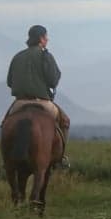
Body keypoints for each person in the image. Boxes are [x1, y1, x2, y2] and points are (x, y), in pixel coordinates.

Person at [4, 24, 70, 169]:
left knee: (5, 124)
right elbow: (53, 80)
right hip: (43, 102)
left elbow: (10, 82)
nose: (47, 40)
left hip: (19, 103)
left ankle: (6, 157)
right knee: (65, 121)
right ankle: (60, 158)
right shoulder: (46, 56)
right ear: (41, 39)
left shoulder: (17, 56)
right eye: (46, 37)